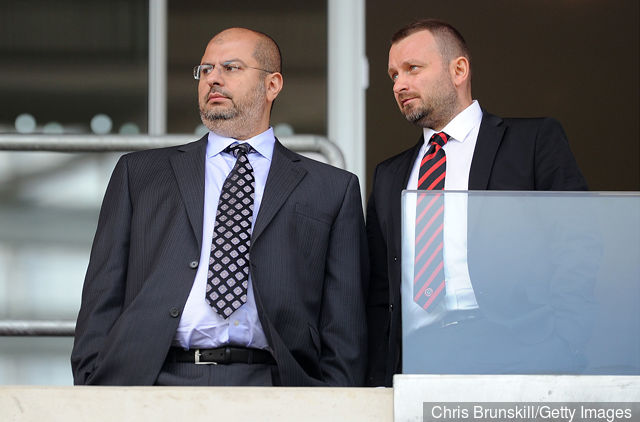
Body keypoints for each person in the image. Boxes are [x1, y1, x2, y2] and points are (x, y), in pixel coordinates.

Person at [71, 27, 368, 387]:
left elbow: (344, 321)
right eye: (206, 69)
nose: (213, 78)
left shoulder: (331, 189)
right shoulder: (141, 174)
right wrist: (92, 381)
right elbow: (102, 292)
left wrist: (337, 399)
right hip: (155, 380)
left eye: (231, 68)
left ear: (272, 85)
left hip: (277, 384)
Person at [365, 19, 588, 387]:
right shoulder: (388, 176)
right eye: (393, 75)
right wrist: (378, 378)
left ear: (459, 70)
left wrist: (566, 343)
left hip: (524, 353)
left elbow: (578, 244)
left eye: (412, 68)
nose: (399, 84)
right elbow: (378, 290)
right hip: (418, 362)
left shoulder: (532, 143)